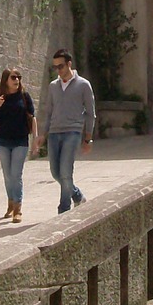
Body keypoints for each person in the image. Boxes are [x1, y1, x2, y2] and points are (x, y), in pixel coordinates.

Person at [35, 49, 95, 214]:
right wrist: (42, 134)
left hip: (73, 132)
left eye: (60, 66)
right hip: (54, 133)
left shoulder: (83, 85)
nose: (58, 71)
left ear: (69, 64)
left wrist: (88, 138)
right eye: (55, 68)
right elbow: (48, 112)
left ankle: (64, 210)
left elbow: (91, 113)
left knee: (65, 171)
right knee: (56, 173)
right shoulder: (53, 86)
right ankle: (77, 195)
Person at [0, 67, 35, 223]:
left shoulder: (24, 97)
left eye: (19, 77)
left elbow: (32, 118)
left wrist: (35, 139)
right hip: (3, 142)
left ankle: (18, 209)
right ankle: (10, 203)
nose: (17, 80)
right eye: (14, 77)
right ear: (6, 80)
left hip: (20, 141)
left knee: (16, 175)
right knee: (8, 176)